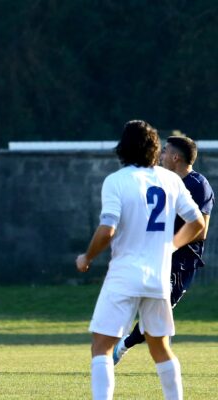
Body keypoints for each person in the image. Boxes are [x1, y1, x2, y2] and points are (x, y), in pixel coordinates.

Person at [75, 120, 205, 400]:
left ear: (123, 147)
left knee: (102, 346)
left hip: (124, 275)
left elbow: (107, 229)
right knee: (160, 346)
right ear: (155, 149)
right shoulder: (170, 180)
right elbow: (197, 224)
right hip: (158, 277)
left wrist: (87, 256)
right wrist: (170, 246)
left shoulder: (117, 181)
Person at [113, 135, 214, 365]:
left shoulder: (197, 186)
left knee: (156, 316)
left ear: (176, 157)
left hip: (180, 262)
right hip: (154, 259)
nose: (161, 155)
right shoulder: (161, 181)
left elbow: (201, 231)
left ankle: (126, 344)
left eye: (165, 151)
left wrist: (170, 246)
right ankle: (144, 350)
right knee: (155, 314)